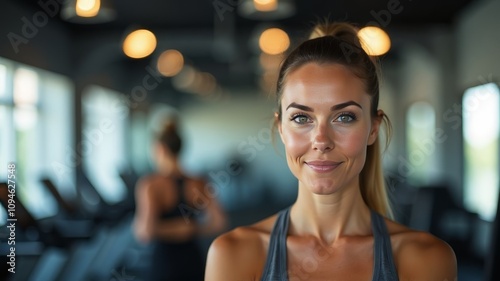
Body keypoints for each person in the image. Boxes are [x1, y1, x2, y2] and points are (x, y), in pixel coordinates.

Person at [205, 22, 457, 281]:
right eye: (302, 118)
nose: (321, 140)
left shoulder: (425, 258)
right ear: (281, 128)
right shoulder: (234, 254)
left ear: (373, 128)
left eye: (345, 117)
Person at [133, 118, 227, 281]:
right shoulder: (199, 182)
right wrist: (191, 229)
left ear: (159, 149)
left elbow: (144, 233)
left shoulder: (149, 185)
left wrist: (167, 230)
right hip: (192, 260)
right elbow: (219, 222)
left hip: (163, 264)